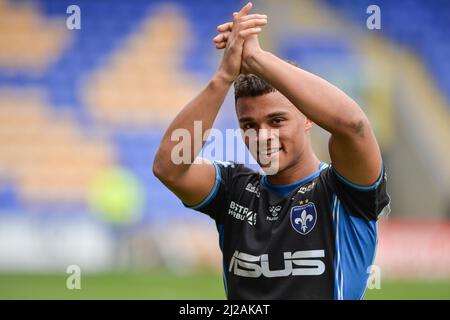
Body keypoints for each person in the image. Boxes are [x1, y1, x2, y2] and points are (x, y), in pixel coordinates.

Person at [153, 2, 390, 299]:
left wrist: (256, 57)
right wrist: (224, 77)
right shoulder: (234, 189)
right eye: (248, 125)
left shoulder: (344, 191)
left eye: (277, 121)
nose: (262, 136)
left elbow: (353, 126)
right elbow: (168, 168)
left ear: (308, 118)